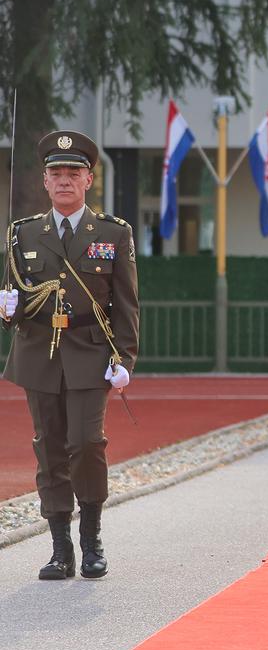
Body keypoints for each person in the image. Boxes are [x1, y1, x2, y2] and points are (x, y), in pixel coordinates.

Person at [1, 131, 140, 581]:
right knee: (50, 448)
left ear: (88, 180)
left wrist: (124, 358)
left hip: (89, 351)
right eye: (56, 173)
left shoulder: (112, 233)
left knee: (86, 444)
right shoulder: (23, 234)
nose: (65, 181)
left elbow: (126, 302)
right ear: (44, 181)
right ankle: (60, 549)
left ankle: (92, 539)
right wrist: (8, 310)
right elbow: (20, 298)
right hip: (39, 352)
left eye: (73, 173)